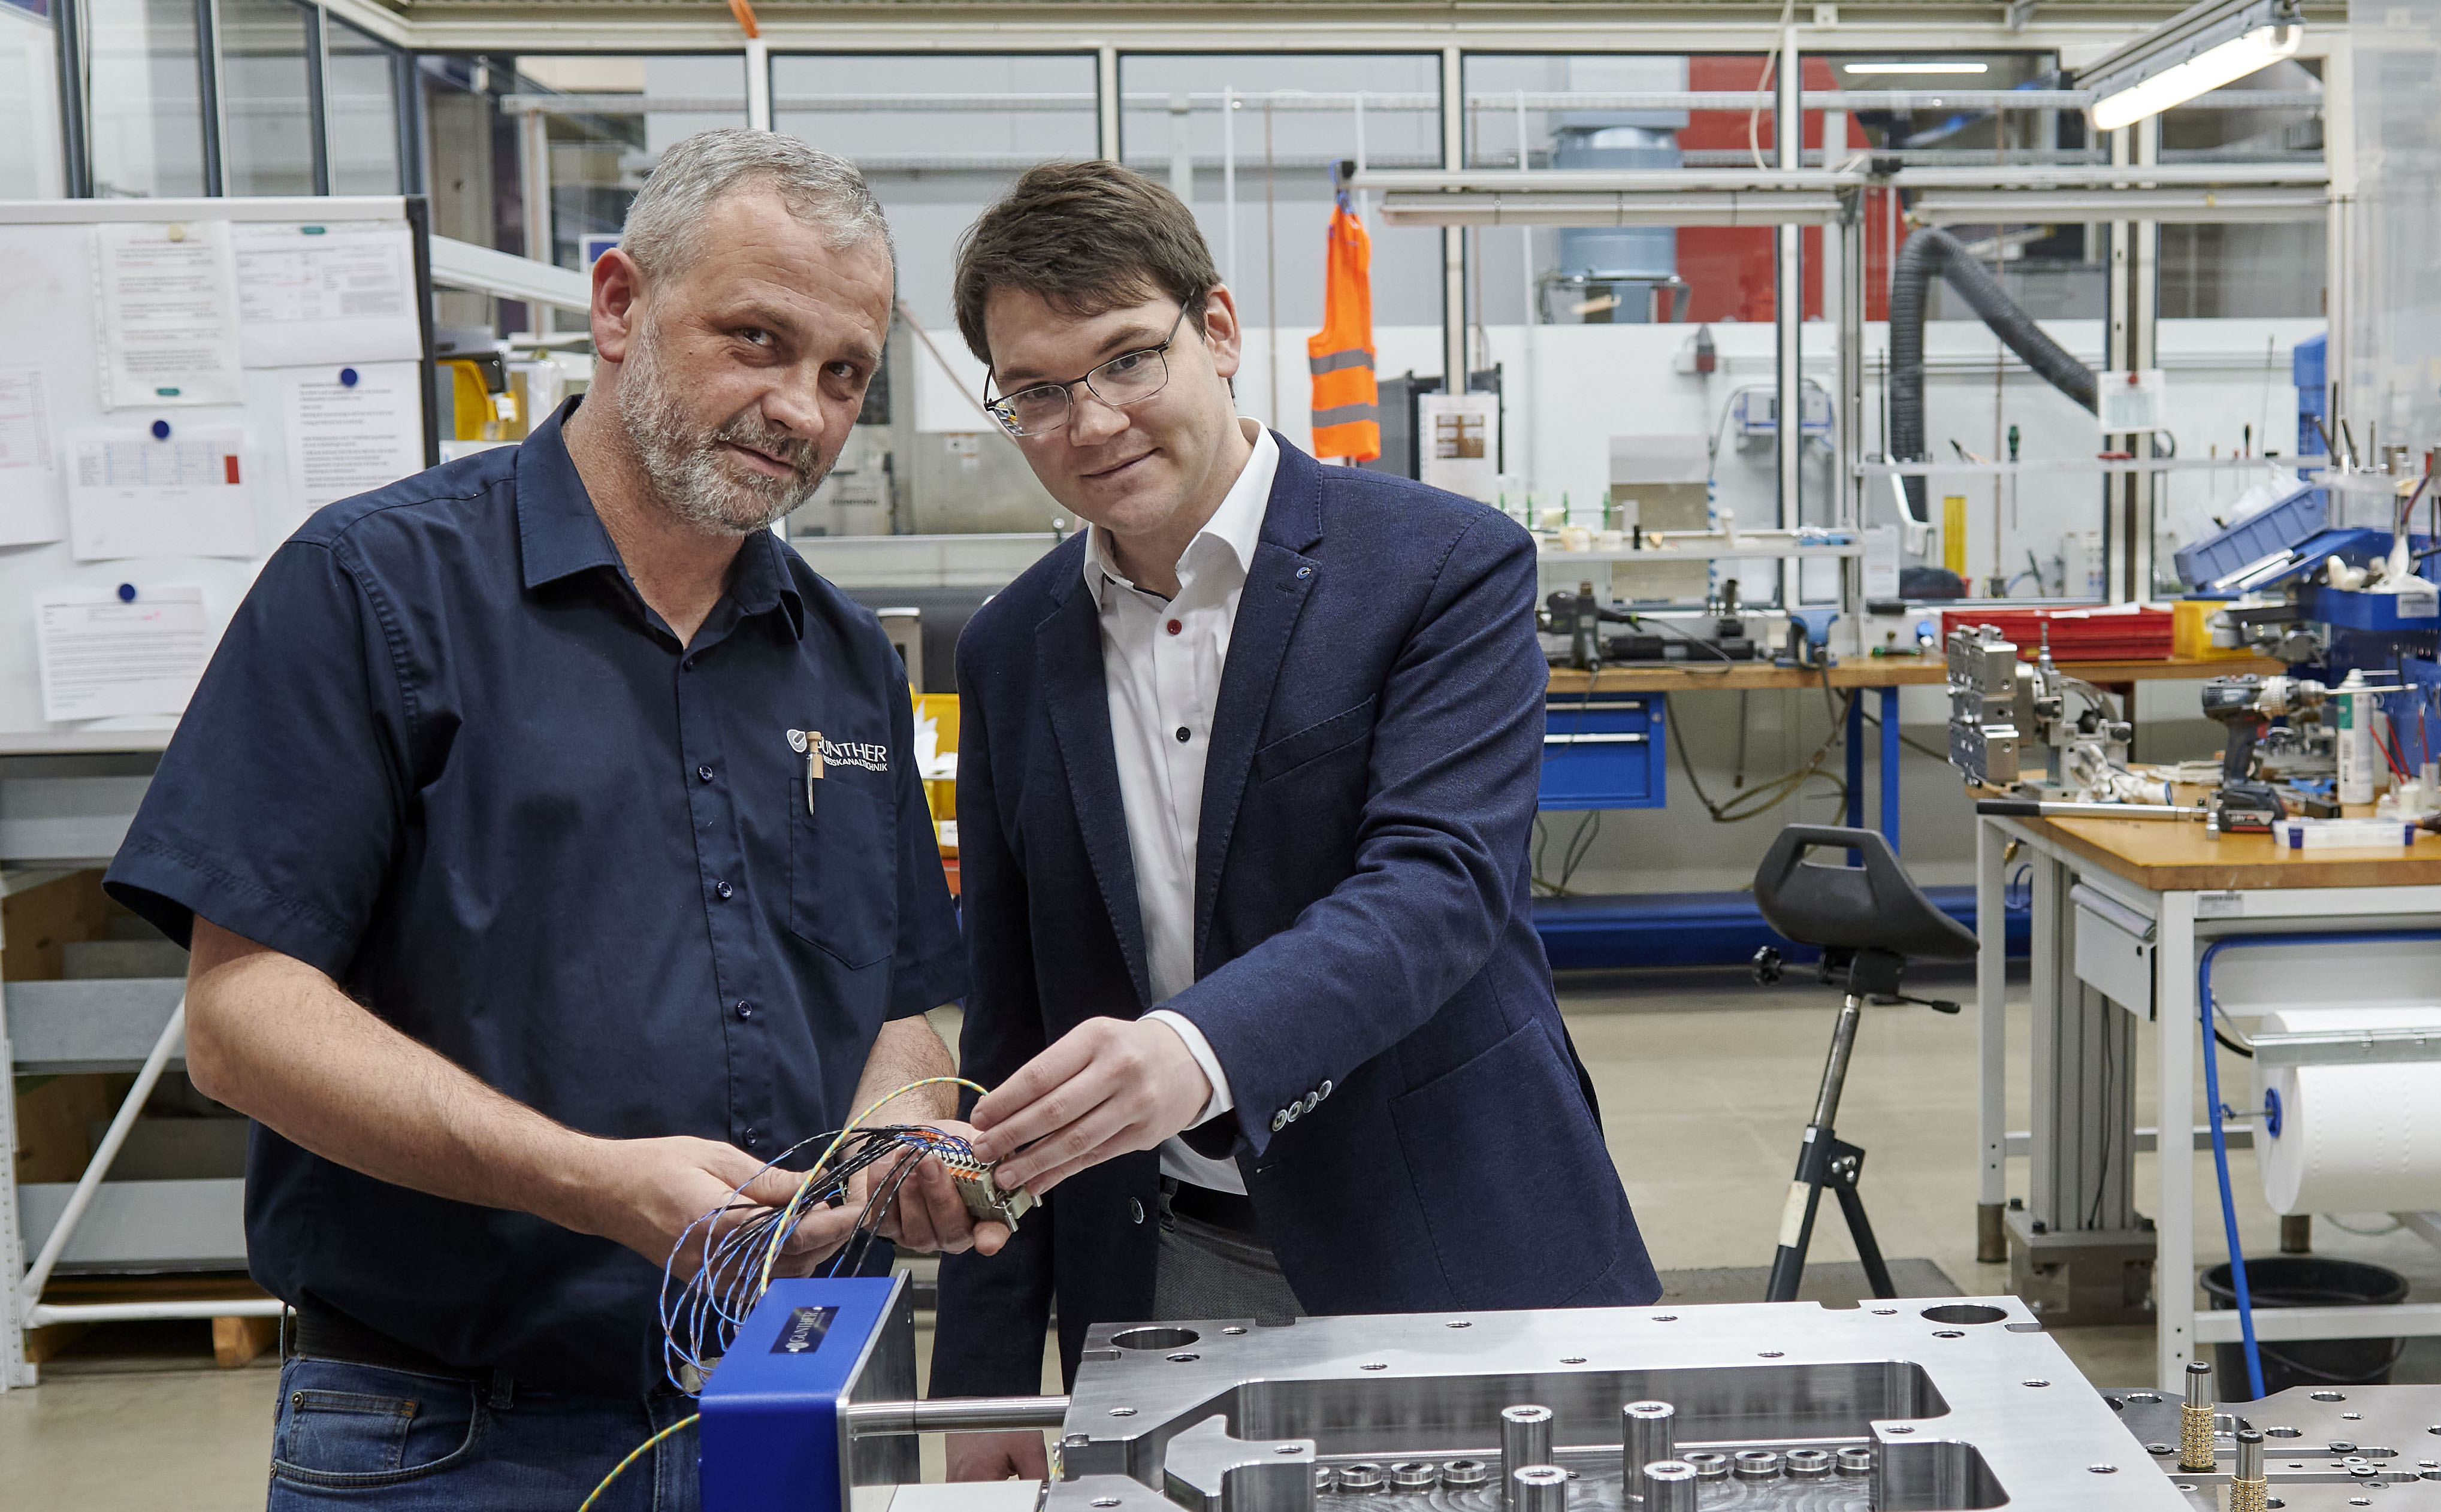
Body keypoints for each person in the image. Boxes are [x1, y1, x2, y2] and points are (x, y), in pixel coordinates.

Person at [101, 130, 997, 1510]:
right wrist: (591, 1182)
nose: (803, 411)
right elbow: (243, 1020)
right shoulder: (375, 588)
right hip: (443, 1430)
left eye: (844, 373)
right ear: (622, 305)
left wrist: (896, 1152)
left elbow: (893, 1007)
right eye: (757, 340)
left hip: (780, 1391)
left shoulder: (843, 659)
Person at [931, 162, 1658, 1480]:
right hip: (1166, 1261)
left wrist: (1193, 1048)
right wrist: (980, 1377)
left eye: (1127, 359)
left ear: (1217, 331)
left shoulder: (1443, 567)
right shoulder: (1005, 649)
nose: (1090, 421)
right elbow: (1010, 1023)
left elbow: (1438, 886)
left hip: (1445, 1226)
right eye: (1037, 390)